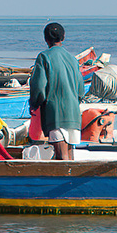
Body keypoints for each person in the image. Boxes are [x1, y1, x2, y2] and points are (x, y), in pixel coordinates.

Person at [28, 22, 82, 160]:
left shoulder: (44, 57)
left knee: (61, 157)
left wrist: (34, 103)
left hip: (56, 114)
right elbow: (80, 90)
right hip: (74, 114)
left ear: (46, 39)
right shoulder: (72, 59)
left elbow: (39, 87)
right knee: (70, 155)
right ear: (63, 37)